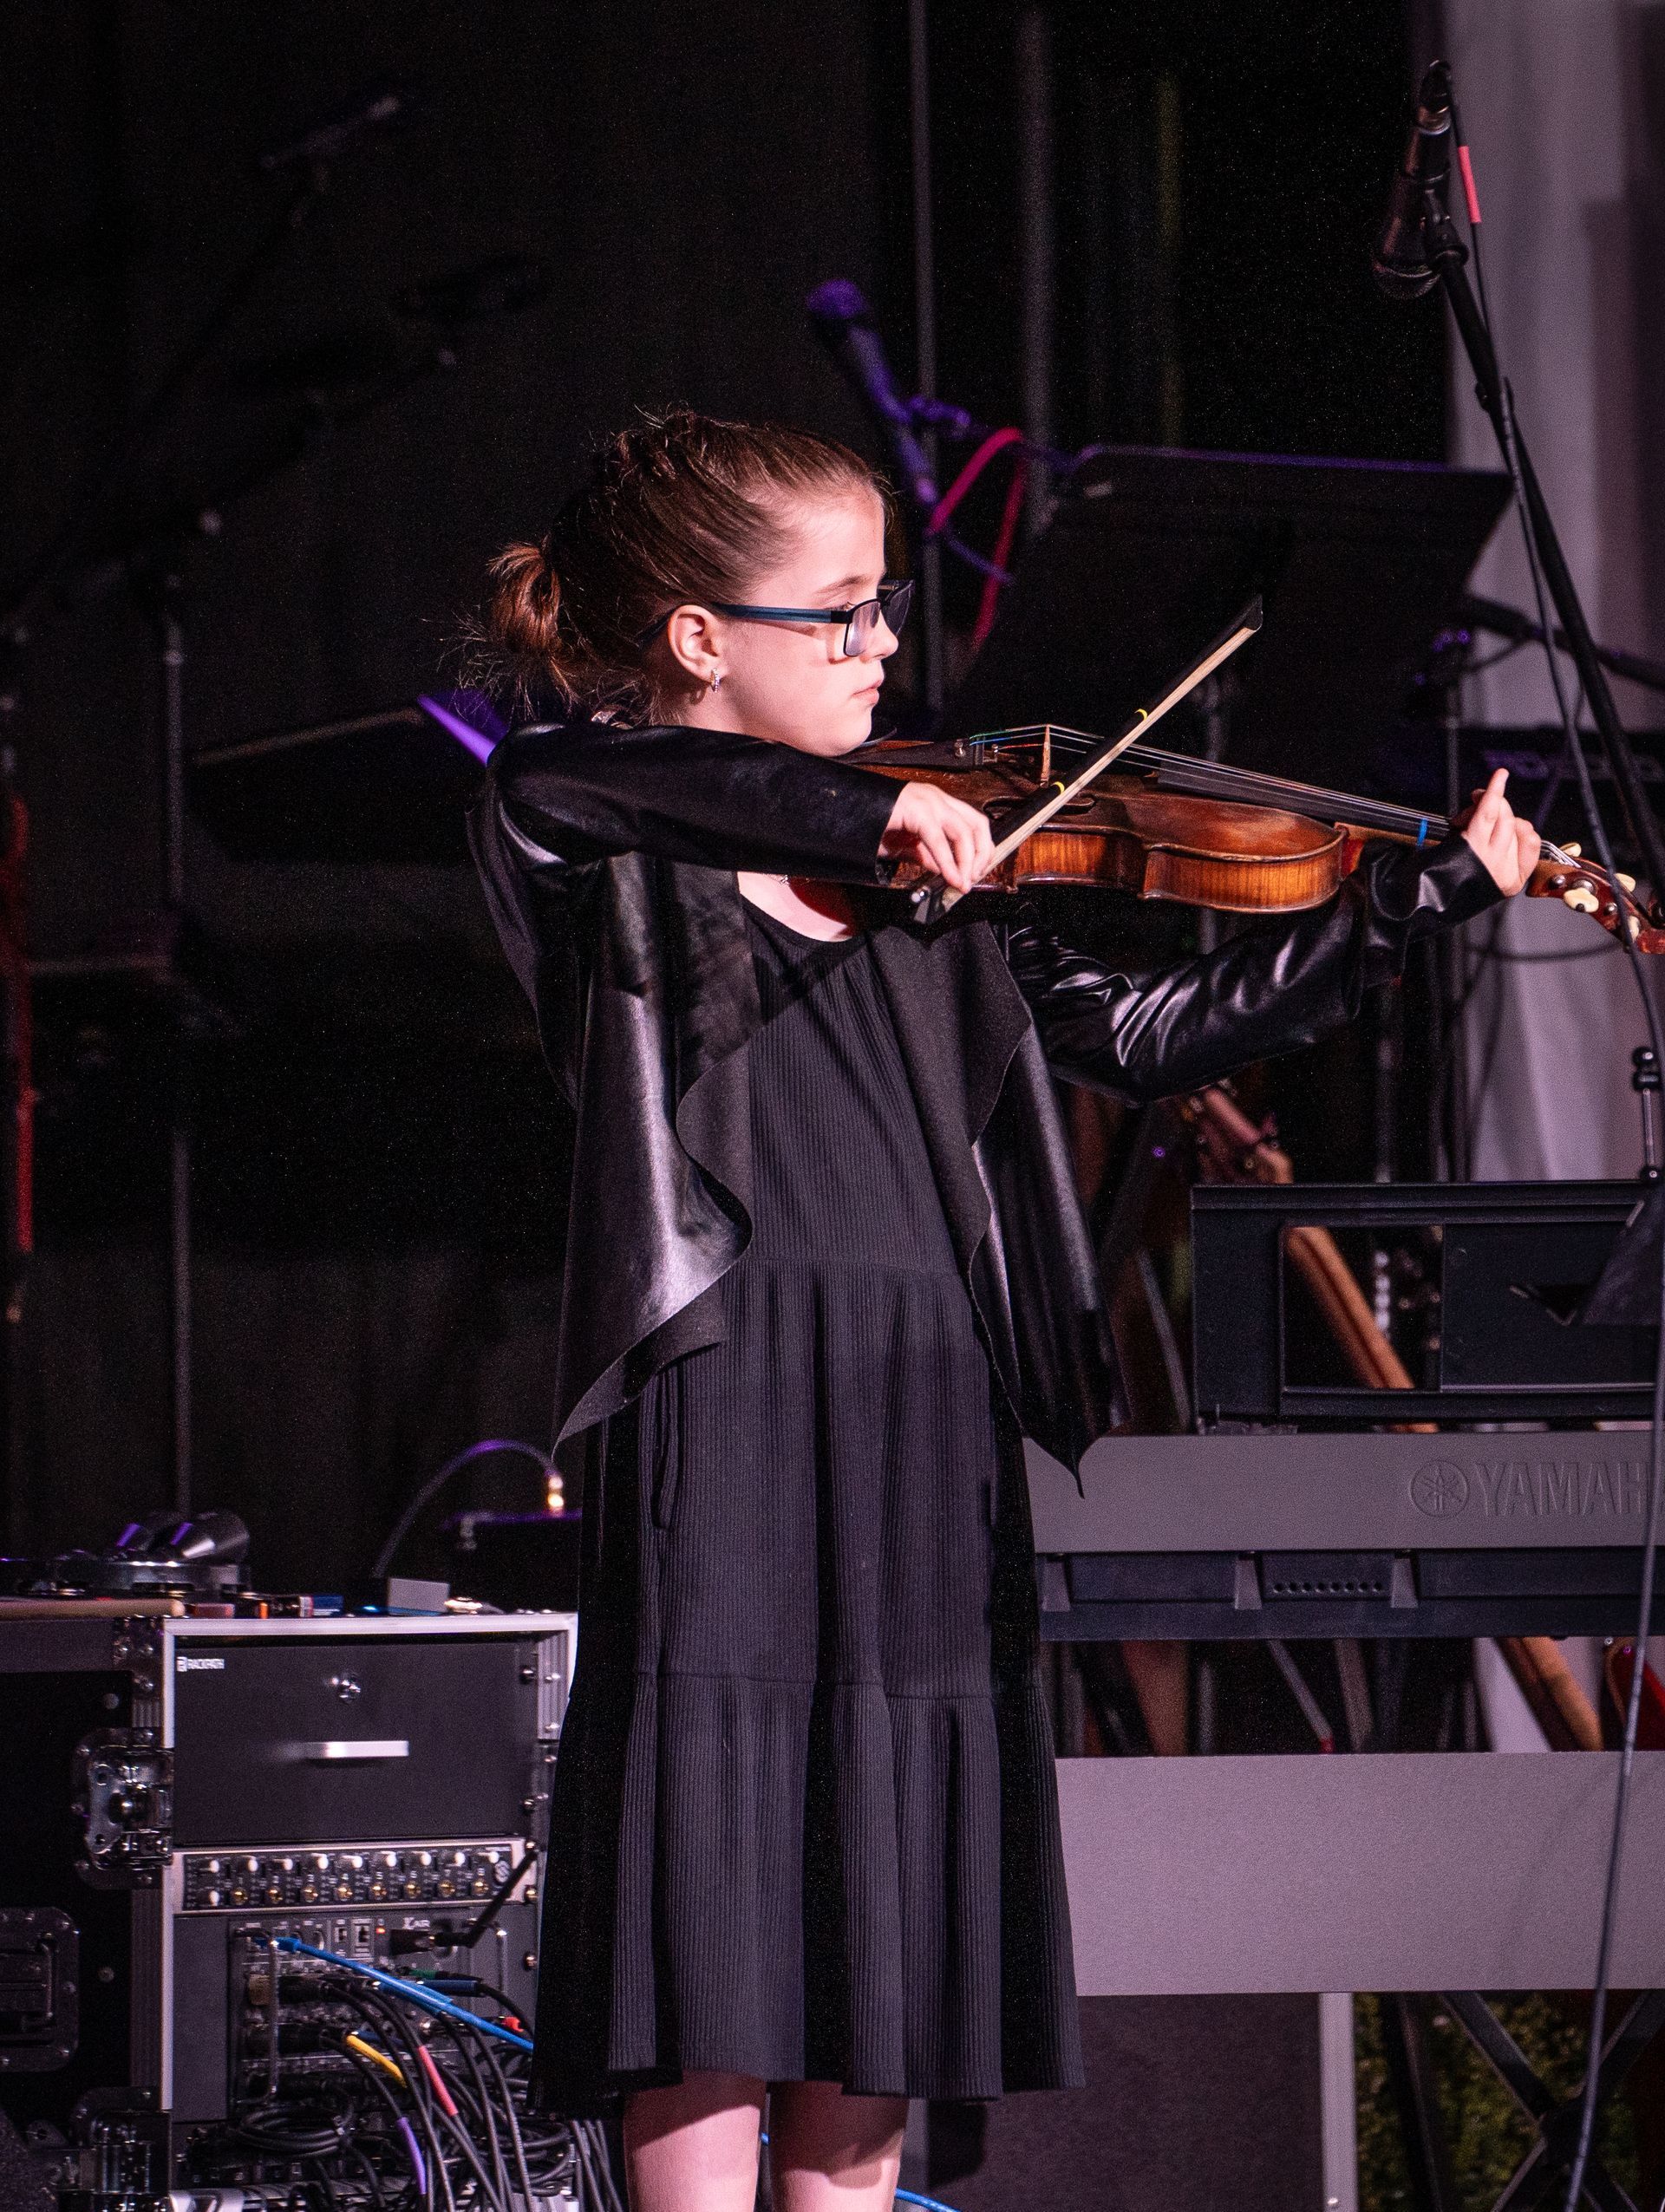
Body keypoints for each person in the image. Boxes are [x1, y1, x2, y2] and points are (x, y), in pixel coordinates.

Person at [467, 408, 1538, 2212]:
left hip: (919, 1403)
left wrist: (1397, 907)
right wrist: (875, 808)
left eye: (888, 607)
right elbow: (606, 774)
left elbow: (1141, 1037)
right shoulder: (582, 818)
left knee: (883, 1938)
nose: (887, 645)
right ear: (699, 638)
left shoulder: (943, 858)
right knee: (714, 1940)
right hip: (727, 1393)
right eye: (843, 612)